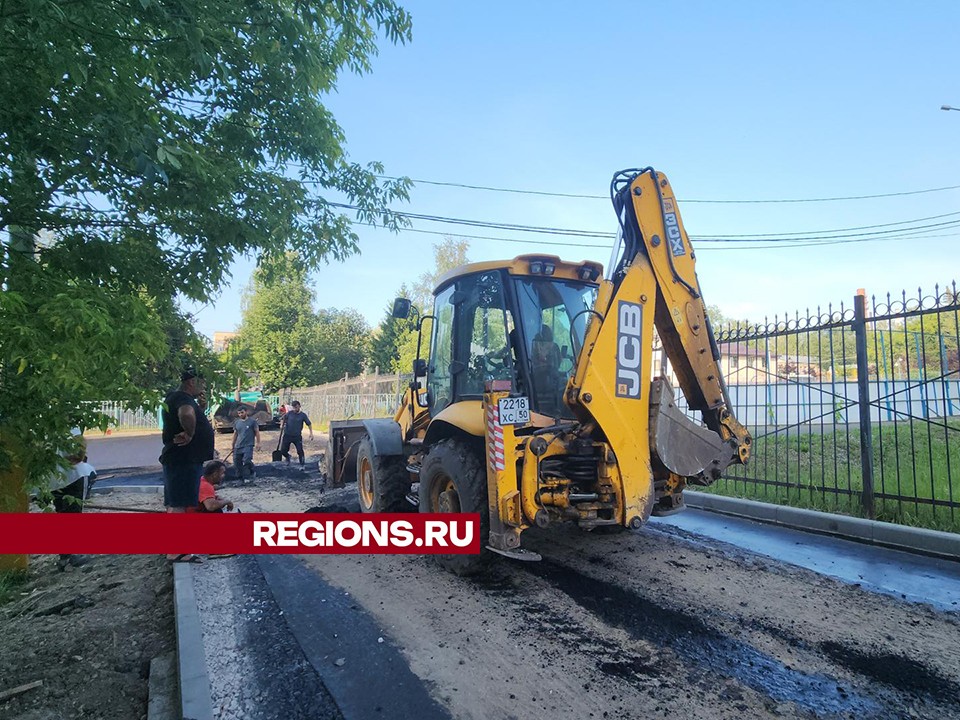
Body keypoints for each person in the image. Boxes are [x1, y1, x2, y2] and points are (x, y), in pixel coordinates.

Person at [160, 367, 214, 562]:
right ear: (191, 382)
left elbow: (191, 412)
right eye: (201, 382)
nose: (204, 386)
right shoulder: (182, 399)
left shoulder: (178, 397)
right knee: (179, 504)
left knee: (177, 503)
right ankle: (177, 551)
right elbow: (186, 414)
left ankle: (176, 547)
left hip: (182, 459)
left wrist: (201, 408)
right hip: (183, 459)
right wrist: (190, 433)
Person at [49, 433, 96, 571]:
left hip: (55, 478)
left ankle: (64, 556)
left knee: (62, 513)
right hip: (74, 475)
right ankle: (72, 554)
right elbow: (77, 454)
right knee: (74, 514)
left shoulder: (47, 426)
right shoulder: (72, 427)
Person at [279, 400, 313, 468]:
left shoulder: (303, 415)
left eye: (296, 407)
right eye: (294, 408)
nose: (295, 409)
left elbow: (309, 424)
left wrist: (311, 433)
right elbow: (282, 419)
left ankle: (302, 465)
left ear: (299, 407)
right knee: (283, 451)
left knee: (300, 451)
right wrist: (282, 424)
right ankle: (288, 457)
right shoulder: (289, 413)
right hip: (287, 435)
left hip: (297, 436)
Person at [231, 406, 261, 481]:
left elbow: (257, 432)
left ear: (246, 412)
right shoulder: (237, 422)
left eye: (242, 412)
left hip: (248, 445)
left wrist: (258, 443)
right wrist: (233, 445)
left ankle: (251, 472)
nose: (240, 414)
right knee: (236, 462)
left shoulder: (252, 421)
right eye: (239, 413)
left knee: (247, 460)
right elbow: (235, 434)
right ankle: (239, 478)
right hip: (238, 445)